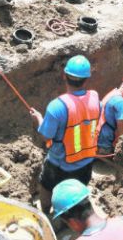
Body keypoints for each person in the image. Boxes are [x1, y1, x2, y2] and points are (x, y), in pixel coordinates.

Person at [29, 56, 100, 215]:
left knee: (47, 188)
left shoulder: (57, 107)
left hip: (60, 163)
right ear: (86, 79)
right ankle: (68, 216)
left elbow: (46, 136)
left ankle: (46, 214)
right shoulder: (95, 98)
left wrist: (38, 119)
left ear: (64, 76)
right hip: (87, 160)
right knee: (75, 193)